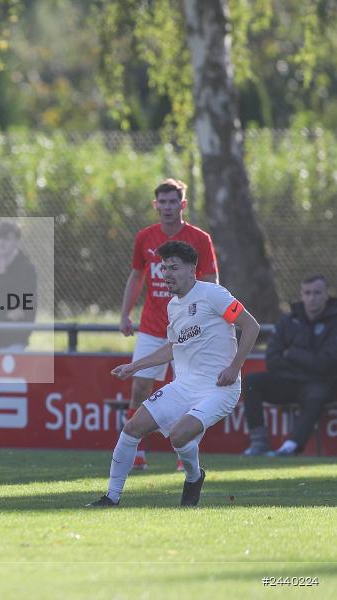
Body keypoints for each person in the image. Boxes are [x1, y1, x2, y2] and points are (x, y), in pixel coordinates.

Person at [89, 240, 260, 508]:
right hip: (184, 386)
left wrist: (234, 368)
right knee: (132, 427)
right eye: (163, 268)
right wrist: (133, 366)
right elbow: (173, 347)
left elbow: (251, 326)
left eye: (173, 268)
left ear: (192, 269)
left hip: (219, 388)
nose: (166, 274)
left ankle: (193, 476)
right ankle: (111, 497)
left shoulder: (213, 294)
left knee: (179, 435)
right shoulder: (173, 306)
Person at [119, 178, 219, 471]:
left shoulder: (200, 239)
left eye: (172, 202)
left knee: (188, 388)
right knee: (139, 386)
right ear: (155, 205)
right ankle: (135, 450)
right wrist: (125, 313)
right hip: (152, 326)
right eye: (161, 202)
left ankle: (184, 452)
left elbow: (211, 280)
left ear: (183, 204)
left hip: (188, 328)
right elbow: (136, 276)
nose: (166, 207)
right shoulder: (144, 238)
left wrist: (204, 317)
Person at [242, 275, 337, 456]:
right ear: (302, 295)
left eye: (317, 293)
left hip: (320, 384)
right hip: (290, 381)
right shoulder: (288, 320)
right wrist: (307, 361)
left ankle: (290, 447)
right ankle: (258, 444)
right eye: (307, 293)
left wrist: (292, 354)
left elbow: (327, 363)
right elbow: (272, 359)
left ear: (326, 295)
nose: (312, 297)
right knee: (252, 381)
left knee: (317, 394)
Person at [0, 221, 38, 350]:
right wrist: (4, 315)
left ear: (16, 242)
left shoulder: (27, 269)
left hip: (15, 340)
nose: (1, 243)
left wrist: (2, 276)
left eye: (7, 239)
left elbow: (24, 306)